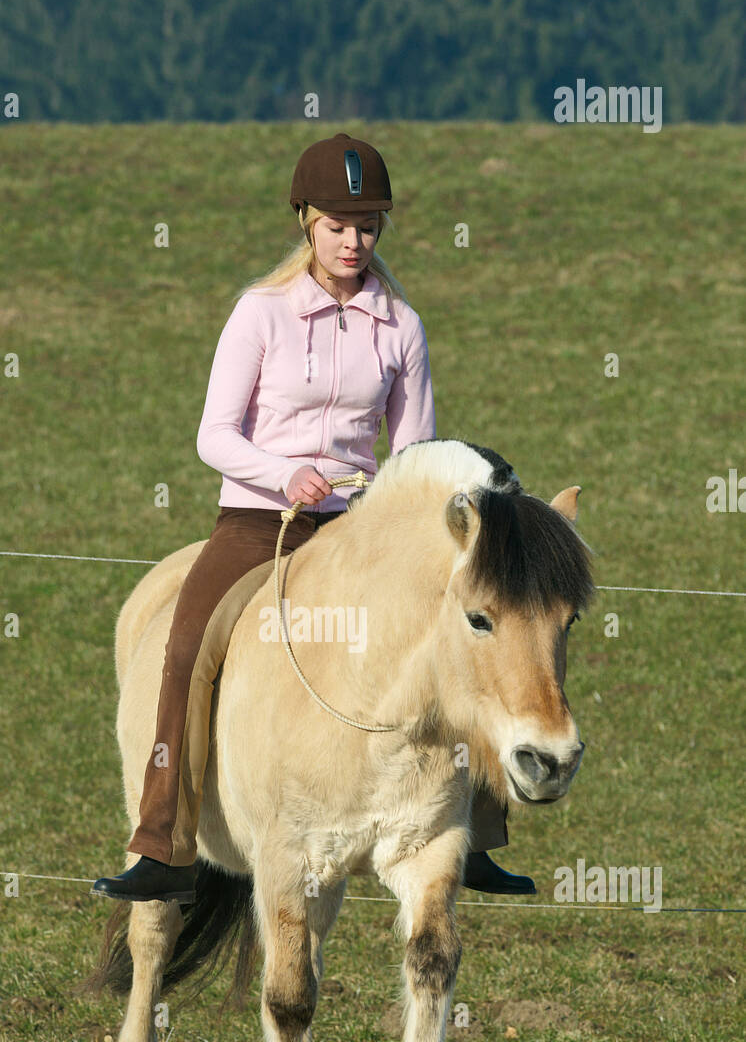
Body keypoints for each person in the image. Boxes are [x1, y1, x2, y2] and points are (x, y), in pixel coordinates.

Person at [93, 132, 535, 906]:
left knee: (467, 629)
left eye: (367, 227)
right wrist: (281, 474)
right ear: (305, 221)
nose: (354, 242)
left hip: (358, 532)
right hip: (259, 524)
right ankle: (164, 841)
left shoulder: (402, 326)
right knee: (187, 645)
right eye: (338, 225)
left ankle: (479, 834)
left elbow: (418, 446)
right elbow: (214, 436)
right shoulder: (260, 313)